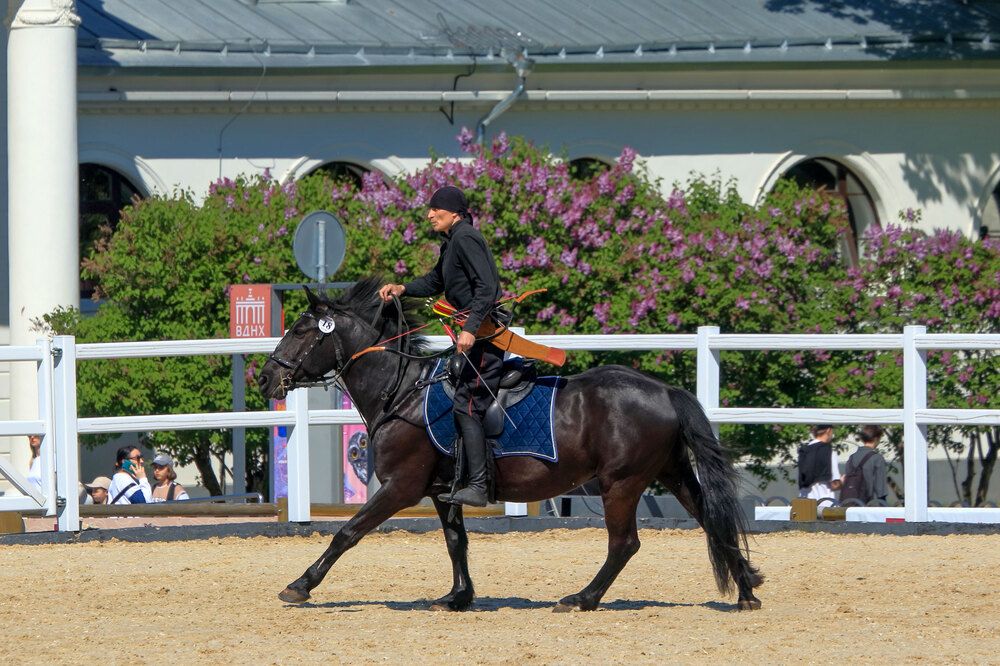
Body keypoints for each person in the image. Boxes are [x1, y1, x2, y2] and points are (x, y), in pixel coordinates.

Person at [379, 185, 502, 507]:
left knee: (467, 404)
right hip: (473, 333)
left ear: (454, 213)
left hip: (485, 338)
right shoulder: (452, 243)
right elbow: (436, 282)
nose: (429, 215)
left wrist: (471, 329)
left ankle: (478, 485)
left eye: (436, 209)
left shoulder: (466, 238)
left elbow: (489, 288)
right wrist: (403, 288)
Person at [842, 425, 888, 504]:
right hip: (866, 504)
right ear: (876, 438)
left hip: (847, 502)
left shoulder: (852, 457)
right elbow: (881, 489)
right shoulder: (877, 458)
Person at [797, 424, 842, 502]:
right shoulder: (829, 451)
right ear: (828, 430)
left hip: (804, 501)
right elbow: (835, 484)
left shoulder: (804, 450)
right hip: (824, 502)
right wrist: (843, 481)